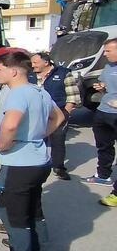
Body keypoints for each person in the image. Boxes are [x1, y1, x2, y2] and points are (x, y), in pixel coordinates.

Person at [0, 52, 63, 251]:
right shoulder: (40, 91)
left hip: (18, 165)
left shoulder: (16, 93)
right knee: (33, 214)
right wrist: (37, 136)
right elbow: (58, 117)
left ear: (14, 71)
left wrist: (4, 143)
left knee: (16, 220)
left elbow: (10, 123)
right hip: (38, 162)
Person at [31, 52, 81, 180]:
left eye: (35, 63)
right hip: (36, 114)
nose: (32, 65)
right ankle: (36, 165)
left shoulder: (64, 73)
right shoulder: (30, 75)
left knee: (58, 141)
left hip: (58, 113)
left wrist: (65, 114)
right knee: (36, 139)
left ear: (46, 62)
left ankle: (58, 167)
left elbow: (73, 97)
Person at [86, 39, 117, 205]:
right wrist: (101, 86)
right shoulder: (108, 67)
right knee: (104, 145)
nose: (105, 54)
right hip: (103, 111)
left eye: (108, 51)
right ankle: (103, 175)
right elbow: (107, 85)